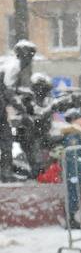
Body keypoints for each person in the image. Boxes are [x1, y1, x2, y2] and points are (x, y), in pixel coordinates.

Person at [0, 40, 37, 181]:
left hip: (1, 112)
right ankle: (6, 173)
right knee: (6, 141)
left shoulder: (13, 66)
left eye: (31, 55)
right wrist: (23, 111)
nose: (30, 58)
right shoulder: (12, 67)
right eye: (28, 54)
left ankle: (6, 172)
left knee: (6, 141)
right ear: (21, 54)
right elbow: (9, 93)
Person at [60, 110, 81, 229]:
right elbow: (72, 156)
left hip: (77, 171)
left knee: (75, 195)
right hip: (74, 172)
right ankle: (70, 220)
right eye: (80, 118)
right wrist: (73, 173)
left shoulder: (77, 133)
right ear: (74, 120)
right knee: (73, 196)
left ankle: (72, 219)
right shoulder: (73, 135)